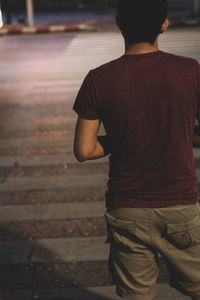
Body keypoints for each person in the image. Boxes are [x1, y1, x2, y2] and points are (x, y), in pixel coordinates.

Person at [73, 0, 200, 299]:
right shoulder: (190, 71)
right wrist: (179, 133)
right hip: (180, 205)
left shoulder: (99, 78)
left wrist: (125, 136)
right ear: (164, 24)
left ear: (119, 23)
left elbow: (84, 149)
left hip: (127, 208)